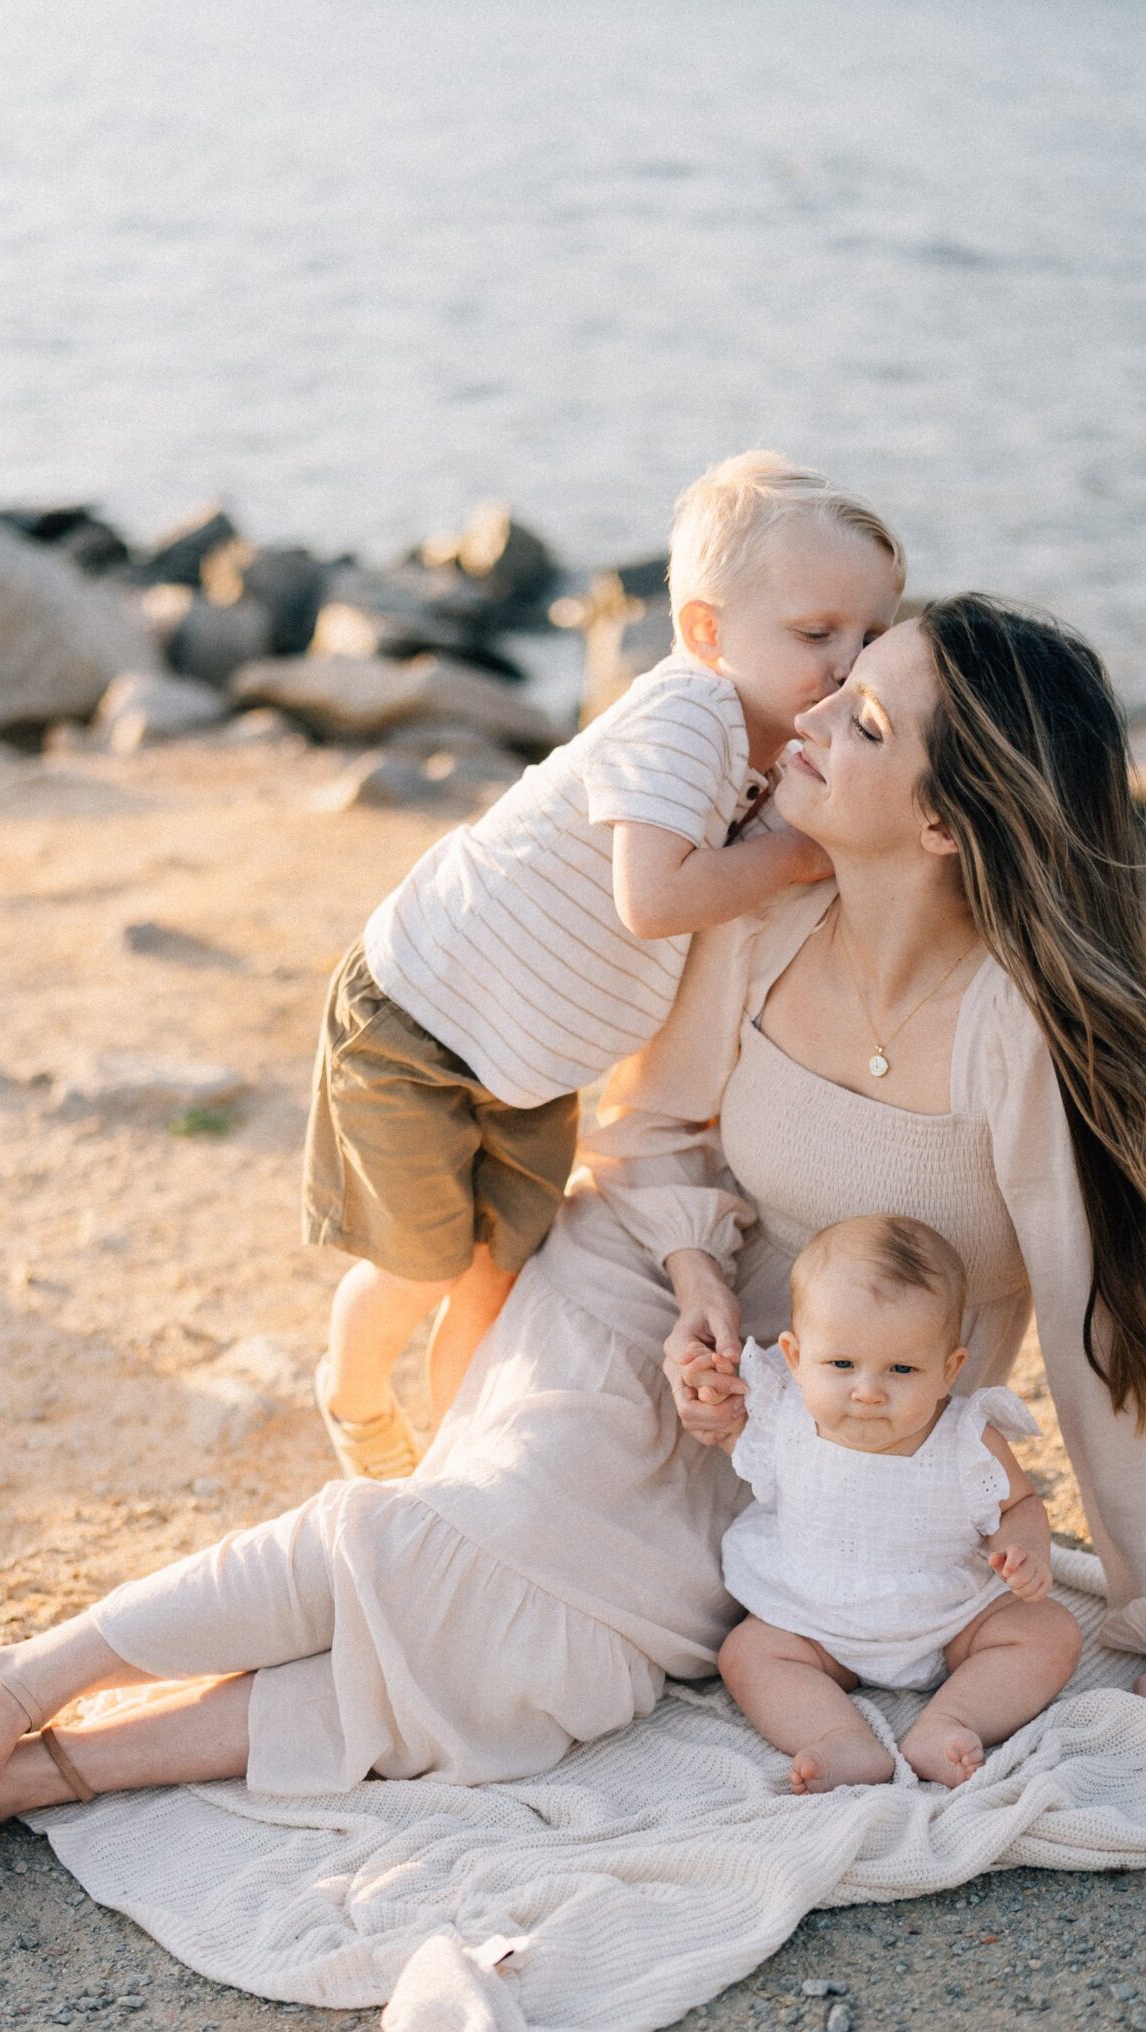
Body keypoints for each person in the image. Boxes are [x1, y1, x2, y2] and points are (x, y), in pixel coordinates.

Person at [0, 594, 1146, 1912]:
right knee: (467, 1534)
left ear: (939, 822)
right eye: (833, 679)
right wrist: (693, 1286)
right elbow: (648, 1141)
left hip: (836, 1414)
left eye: (858, 719)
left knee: (550, 1668)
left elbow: (1097, 1309)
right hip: (651, 1298)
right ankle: (8, 1699)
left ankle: (15, 1773)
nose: (808, 714)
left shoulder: (1015, 1032)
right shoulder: (761, 913)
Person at [304, 451, 903, 1478]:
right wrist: (800, 853)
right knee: (424, 1263)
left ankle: (460, 1474)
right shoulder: (690, 714)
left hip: (533, 1063)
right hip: (421, 1020)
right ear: (708, 632)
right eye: (816, 635)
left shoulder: (763, 751)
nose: (850, 662)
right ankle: (353, 1400)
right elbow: (655, 894)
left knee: (501, 1276)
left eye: (872, 636)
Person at [713, 1213, 1081, 1792]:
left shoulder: (966, 1439)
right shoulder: (782, 1416)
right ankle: (838, 1737)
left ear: (948, 1370)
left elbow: (1021, 1504)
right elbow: (737, 1444)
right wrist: (713, 1406)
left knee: (1049, 1632)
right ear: (794, 1356)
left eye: (902, 1369)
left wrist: (1023, 1544)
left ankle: (952, 1720)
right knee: (748, 1652)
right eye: (840, 1365)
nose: (867, 1390)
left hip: (949, 1618)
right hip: (815, 1619)